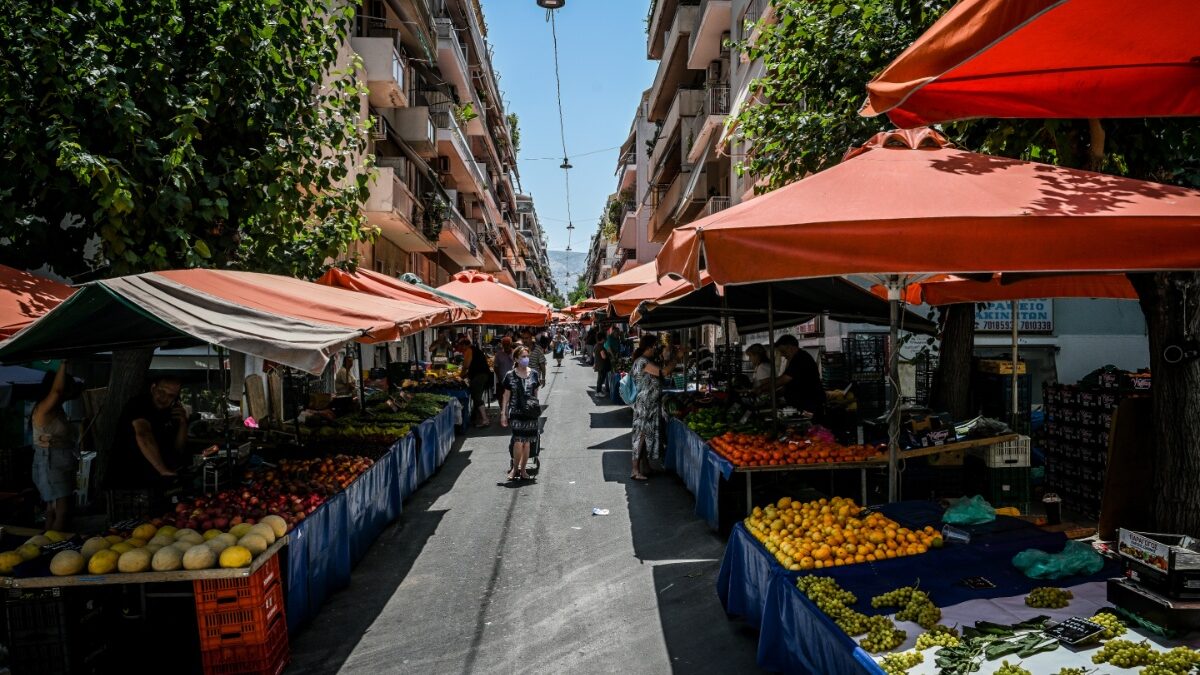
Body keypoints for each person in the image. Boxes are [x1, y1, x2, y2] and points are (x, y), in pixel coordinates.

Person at [109, 376, 188, 489]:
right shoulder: (139, 405)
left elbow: (179, 449)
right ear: (153, 388)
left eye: (171, 396)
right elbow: (143, 435)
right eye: (161, 391)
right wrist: (163, 471)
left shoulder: (170, 413)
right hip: (130, 479)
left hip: (157, 481)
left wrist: (183, 424)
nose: (164, 397)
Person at [31, 362, 81, 531]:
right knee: (61, 509)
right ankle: (55, 544)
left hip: (59, 460)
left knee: (54, 508)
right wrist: (64, 363)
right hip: (50, 461)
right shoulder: (44, 408)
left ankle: (49, 542)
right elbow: (57, 391)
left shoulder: (58, 409)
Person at [630, 335, 676, 480]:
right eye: (655, 346)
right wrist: (677, 358)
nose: (657, 348)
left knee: (646, 436)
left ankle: (645, 467)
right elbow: (663, 372)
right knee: (641, 436)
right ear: (649, 347)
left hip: (650, 403)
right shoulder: (642, 362)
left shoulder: (645, 361)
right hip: (645, 404)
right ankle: (635, 470)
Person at [500, 346, 541, 481]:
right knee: (518, 441)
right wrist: (503, 413)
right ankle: (515, 469)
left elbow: (535, 394)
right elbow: (506, 395)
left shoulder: (534, 373)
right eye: (523, 357)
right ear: (516, 359)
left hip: (530, 414)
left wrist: (536, 409)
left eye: (527, 356)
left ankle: (523, 470)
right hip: (516, 412)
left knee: (527, 443)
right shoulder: (510, 375)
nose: (526, 359)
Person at [773, 334, 826, 422]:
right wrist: (775, 394)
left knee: (810, 430)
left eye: (783, 351)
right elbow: (788, 385)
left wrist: (762, 389)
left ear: (791, 347)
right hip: (802, 405)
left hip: (809, 406)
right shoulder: (796, 359)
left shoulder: (800, 359)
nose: (782, 355)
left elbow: (783, 380)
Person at [460, 337, 491, 427]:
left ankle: (485, 419)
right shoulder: (475, 350)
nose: (462, 350)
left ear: (465, 345)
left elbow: (466, 365)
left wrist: (460, 376)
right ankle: (478, 417)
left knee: (477, 396)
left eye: (462, 347)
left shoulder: (469, 350)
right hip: (482, 375)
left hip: (480, 376)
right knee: (476, 396)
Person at [493, 336, 514, 400]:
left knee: (513, 399)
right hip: (502, 380)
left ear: (510, 344)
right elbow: (496, 367)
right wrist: (499, 378)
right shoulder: (498, 355)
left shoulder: (515, 353)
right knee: (502, 398)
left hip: (513, 380)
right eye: (504, 344)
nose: (506, 346)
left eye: (508, 344)